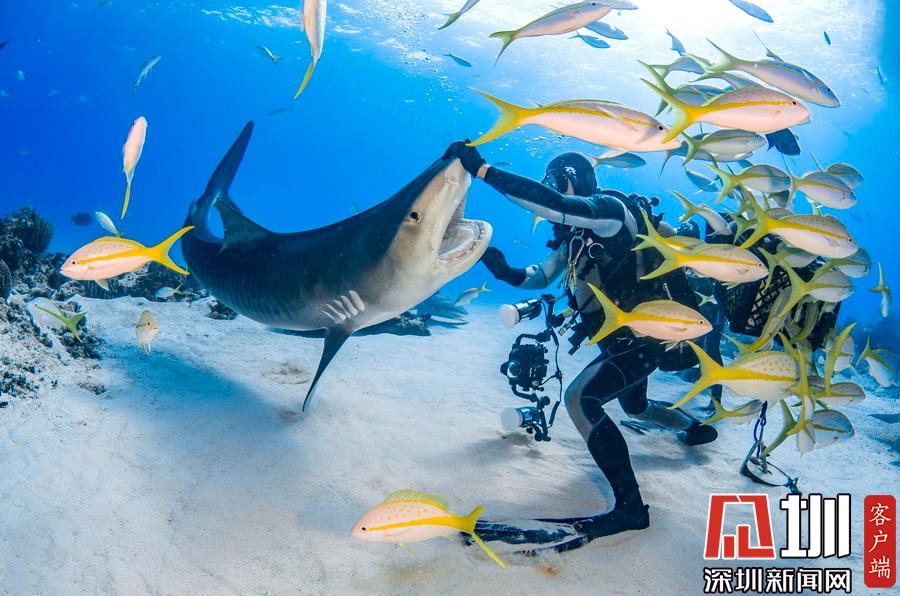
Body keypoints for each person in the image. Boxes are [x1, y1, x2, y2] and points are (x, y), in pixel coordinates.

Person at [442, 141, 718, 541]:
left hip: (645, 336)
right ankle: (693, 428)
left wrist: (483, 170)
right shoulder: (576, 238)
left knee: (581, 399)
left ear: (576, 181)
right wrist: (502, 270)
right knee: (635, 406)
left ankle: (630, 509)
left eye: (554, 180)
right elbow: (540, 276)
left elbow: (554, 205)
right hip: (617, 340)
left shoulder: (612, 213)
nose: (548, 187)